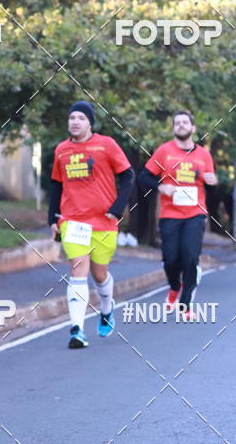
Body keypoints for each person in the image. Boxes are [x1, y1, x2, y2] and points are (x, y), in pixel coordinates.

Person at [48, 101, 135, 349]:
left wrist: (117, 209)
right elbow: (56, 185)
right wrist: (53, 219)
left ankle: (107, 307)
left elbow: (128, 176)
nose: (75, 122)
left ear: (90, 122)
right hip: (73, 220)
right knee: (77, 270)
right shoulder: (62, 150)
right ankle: (77, 330)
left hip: (103, 221)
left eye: (81, 118)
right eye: (72, 117)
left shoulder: (106, 144)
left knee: (99, 275)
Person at [138, 110, 217, 322]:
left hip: (195, 213)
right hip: (170, 213)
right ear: (174, 128)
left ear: (193, 128)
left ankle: (186, 303)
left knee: (190, 258)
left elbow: (211, 185)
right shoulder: (164, 151)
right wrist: (161, 187)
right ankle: (174, 287)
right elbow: (144, 177)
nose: (181, 125)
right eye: (177, 123)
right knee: (170, 259)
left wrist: (212, 182)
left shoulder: (203, 155)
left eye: (185, 122)